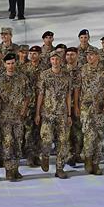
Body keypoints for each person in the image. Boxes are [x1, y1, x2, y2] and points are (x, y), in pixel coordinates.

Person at [36, 50, 73, 179]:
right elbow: (40, 94)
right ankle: (45, 156)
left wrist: (69, 114)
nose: (55, 62)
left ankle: (59, 168)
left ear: (61, 60)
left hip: (62, 113)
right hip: (47, 113)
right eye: (53, 59)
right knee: (46, 140)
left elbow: (68, 96)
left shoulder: (66, 76)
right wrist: (37, 113)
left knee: (62, 141)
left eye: (57, 59)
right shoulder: (44, 75)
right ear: (50, 60)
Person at [0, 52, 31, 181]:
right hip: (4, 117)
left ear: (16, 63)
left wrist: (24, 110)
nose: (10, 66)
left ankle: (15, 168)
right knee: (7, 142)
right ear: (4, 64)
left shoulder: (22, 78)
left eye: (12, 63)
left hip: (18, 117)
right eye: (8, 63)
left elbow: (27, 96)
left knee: (17, 142)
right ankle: (9, 170)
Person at [77, 48, 104, 175]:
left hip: (99, 107)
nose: (89, 57)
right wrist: (77, 106)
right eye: (87, 55)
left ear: (97, 56)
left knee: (100, 135)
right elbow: (77, 89)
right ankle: (88, 160)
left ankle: (96, 163)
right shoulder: (82, 70)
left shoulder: (103, 71)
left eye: (92, 55)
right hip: (86, 107)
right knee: (89, 135)